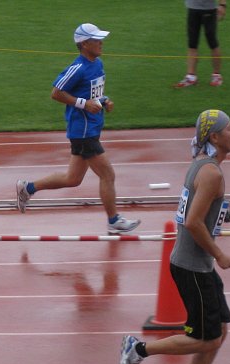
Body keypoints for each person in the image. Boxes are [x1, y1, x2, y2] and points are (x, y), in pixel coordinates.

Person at [119, 109, 230, 364]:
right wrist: (220, 254)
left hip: (197, 266)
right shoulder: (211, 173)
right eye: (229, 129)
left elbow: (205, 213)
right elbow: (194, 222)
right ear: (215, 137)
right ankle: (138, 349)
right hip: (194, 267)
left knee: (218, 332)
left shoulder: (202, 165)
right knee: (205, 339)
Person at [16, 23, 140, 235]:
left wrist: (104, 100)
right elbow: (56, 93)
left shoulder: (98, 64)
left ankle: (27, 188)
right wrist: (83, 104)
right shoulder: (78, 68)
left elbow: (92, 94)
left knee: (72, 179)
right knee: (108, 175)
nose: (101, 43)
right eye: (96, 40)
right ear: (84, 44)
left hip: (91, 128)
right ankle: (113, 221)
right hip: (83, 132)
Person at [175, 1, 226, 88]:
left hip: (209, 9)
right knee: (192, 44)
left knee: (212, 42)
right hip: (192, 8)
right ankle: (191, 77)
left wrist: (222, 5)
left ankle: (217, 75)